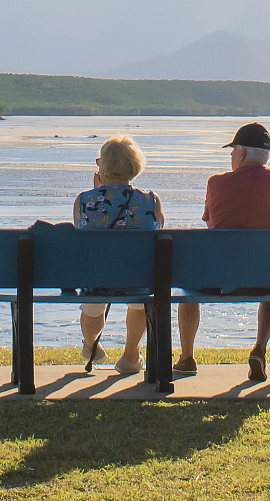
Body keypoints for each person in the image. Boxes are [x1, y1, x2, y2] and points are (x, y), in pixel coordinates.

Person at [175, 121, 270, 382]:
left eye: (232, 151)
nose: (231, 156)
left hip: (216, 281)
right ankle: (259, 348)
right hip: (264, 282)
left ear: (242, 153)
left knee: (188, 290)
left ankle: (187, 358)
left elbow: (213, 224)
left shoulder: (216, 183)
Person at [72, 135, 165, 375]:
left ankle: (91, 344)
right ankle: (131, 355)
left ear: (103, 166)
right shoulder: (150, 200)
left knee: (93, 299)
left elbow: (82, 234)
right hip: (139, 281)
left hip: (96, 281)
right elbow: (159, 229)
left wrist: (98, 192)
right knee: (139, 302)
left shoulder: (84, 200)